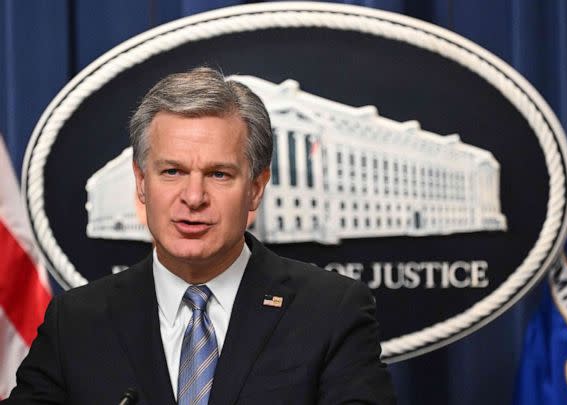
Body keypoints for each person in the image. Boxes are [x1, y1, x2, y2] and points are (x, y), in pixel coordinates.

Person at [5, 67, 396, 404]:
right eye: (171, 172)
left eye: (218, 174)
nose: (193, 198)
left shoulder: (331, 312)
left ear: (256, 189)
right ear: (142, 183)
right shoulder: (75, 323)